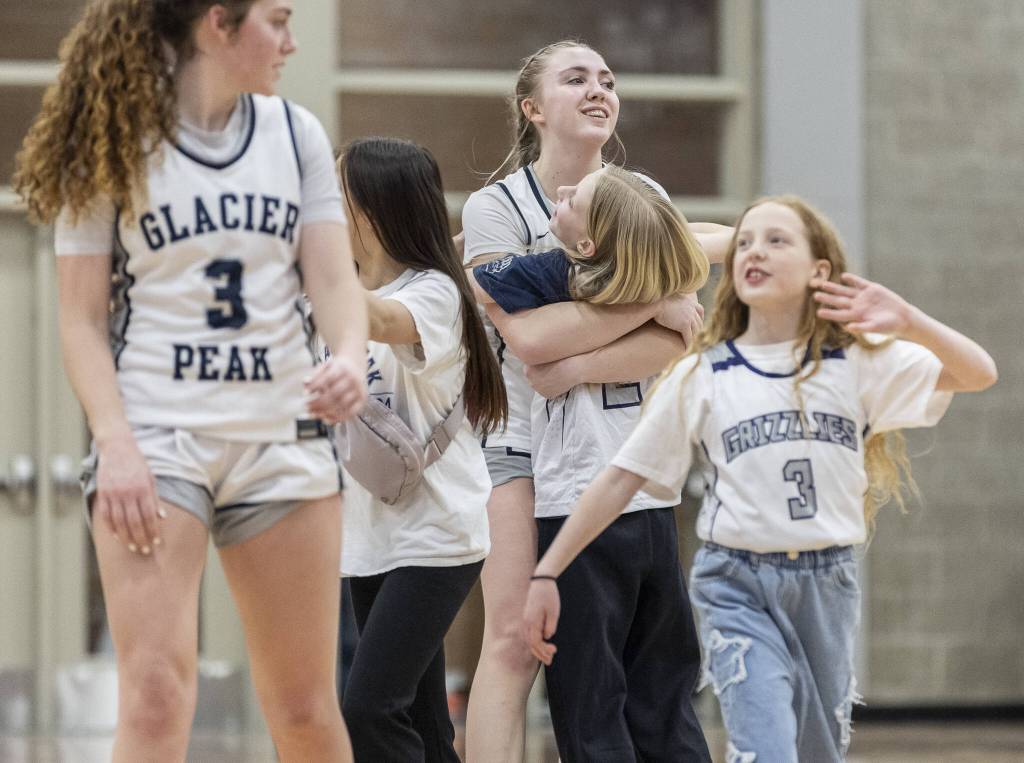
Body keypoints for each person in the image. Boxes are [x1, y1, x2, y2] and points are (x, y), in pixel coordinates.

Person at [522, 195, 998, 762]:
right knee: (765, 747)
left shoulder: (854, 365)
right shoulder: (704, 372)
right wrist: (547, 572)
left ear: (819, 270)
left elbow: (978, 373)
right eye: (744, 241)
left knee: (818, 752)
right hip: (737, 582)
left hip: (828, 580)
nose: (754, 251)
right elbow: (621, 478)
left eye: (777, 241)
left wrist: (909, 320)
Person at [13, 2, 367, 761]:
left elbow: (335, 281)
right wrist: (114, 443)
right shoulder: (109, 140)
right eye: (276, 20)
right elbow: (78, 319)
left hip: (280, 432)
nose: (291, 41)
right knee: (152, 694)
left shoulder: (295, 133)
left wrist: (349, 353)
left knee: (305, 707)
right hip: (157, 435)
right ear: (219, 23)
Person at [461, 39, 729, 762]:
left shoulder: (644, 194)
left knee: (653, 670)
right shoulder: (495, 207)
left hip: (620, 449)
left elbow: (680, 342)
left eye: (607, 79)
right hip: (517, 441)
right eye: (575, 78)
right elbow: (528, 340)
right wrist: (652, 292)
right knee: (516, 638)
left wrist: (585, 357)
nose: (597, 89)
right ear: (533, 108)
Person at [334, 137, 507, 762]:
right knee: (424, 725)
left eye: (338, 194)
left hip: (436, 536)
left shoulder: (435, 293)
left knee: (369, 709)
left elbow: (377, 321)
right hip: (370, 535)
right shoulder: (337, 290)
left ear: (375, 208)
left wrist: (303, 261)